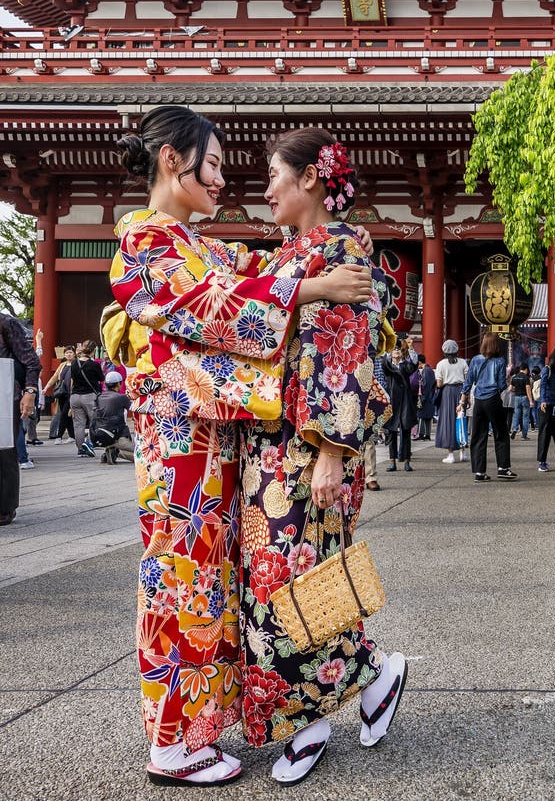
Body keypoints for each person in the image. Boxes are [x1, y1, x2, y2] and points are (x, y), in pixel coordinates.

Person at [109, 105, 374, 787]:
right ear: (175, 160)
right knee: (179, 578)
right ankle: (170, 743)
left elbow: (259, 273)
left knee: (223, 582)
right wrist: (315, 285)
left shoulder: (200, 245)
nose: (228, 182)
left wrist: (331, 259)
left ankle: (222, 723)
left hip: (220, 440)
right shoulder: (144, 240)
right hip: (179, 440)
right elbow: (214, 307)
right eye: (217, 164)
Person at [238, 127, 406, 787]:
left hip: (313, 445)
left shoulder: (343, 248)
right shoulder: (290, 255)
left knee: (293, 578)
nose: (267, 188)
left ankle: (309, 719)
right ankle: (372, 679)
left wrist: (336, 448)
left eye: (275, 175)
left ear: (310, 177)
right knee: (284, 577)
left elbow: (348, 352)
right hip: (270, 445)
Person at [459, 332, 517, 482]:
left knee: (478, 435)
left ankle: (479, 471)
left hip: (479, 400)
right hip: (493, 399)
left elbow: (468, 382)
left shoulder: (476, 360)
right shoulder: (500, 361)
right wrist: (507, 382)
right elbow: (501, 385)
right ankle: (503, 468)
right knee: (501, 433)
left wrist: (462, 401)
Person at [0, 314, 41, 525]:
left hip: (5, 395)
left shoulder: (5, 323)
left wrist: (30, 392)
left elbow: (32, 362)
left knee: (4, 449)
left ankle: (5, 507)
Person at [382, 340, 418, 472]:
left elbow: (413, 365)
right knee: (391, 432)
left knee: (406, 431)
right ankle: (392, 461)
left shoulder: (405, 366)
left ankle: (407, 461)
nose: (396, 351)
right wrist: (387, 347)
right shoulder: (389, 366)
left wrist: (410, 347)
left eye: (398, 349)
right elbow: (384, 364)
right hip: (392, 401)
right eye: (393, 350)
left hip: (405, 401)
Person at [434, 339, 468, 463]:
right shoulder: (463, 362)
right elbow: (466, 379)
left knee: (448, 421)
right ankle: (463, 452)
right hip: (461, 391)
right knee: (461, 419)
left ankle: (451, 454)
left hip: (447, 392)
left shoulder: (441, 364)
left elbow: (439, 383)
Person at [70, 340, 104, 458]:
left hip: (75, 396)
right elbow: (101, 378)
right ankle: (88, 443)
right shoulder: (94, 365)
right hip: (89, 396)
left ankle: (80, 449)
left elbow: (72, 380)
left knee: (79, 424)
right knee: (94, 422)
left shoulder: (74, 363)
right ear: (94, 351)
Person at [94, 370, 134, 463]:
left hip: (101, 435)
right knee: (143, 456)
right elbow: (133, 410)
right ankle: (117, 452)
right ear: (119, 384)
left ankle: (108, 452)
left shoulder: (98, 397)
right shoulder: (121, 397)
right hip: (118, 436)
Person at [43, 346, 76, 444]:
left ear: (74, 354)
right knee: (67, 415)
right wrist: (46, 388)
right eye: (66, 353)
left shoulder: (76, 364)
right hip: (62, 394)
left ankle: (59, 436)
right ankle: (72, 436)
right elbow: (54, 377)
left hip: (72, 393)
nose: (68, 354)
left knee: (64, 414)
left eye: (70, 352)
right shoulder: (62, 365)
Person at [510, 362, 534, 440]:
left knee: (516, 415)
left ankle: (514, 429)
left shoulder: (514, 377)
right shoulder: (526, 378)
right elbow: (528, 389)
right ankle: (524, 435)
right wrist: (530, 401)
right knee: (525, 417)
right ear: (526, 369)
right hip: (524, 398)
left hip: (516, 398)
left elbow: (510, 388)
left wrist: (516, 390)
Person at [415, 353, 436, 440]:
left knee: (421, 416)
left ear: (419, 362)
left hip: (426, 397)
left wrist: (422, 397)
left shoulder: (426, 371)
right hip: (430, 396)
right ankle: (427, 434)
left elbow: (425, 385)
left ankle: (421, 434)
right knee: (427, 417)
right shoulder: (430, 370)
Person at [530, 365, 542, 430]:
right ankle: (538, 423)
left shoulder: (532, 378)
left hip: (533, 395)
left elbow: (530, 387)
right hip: (539, 395)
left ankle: (536, 422)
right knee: (538, 409)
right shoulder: (541, 378)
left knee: (534, 410)